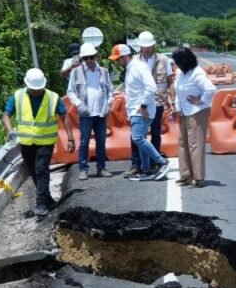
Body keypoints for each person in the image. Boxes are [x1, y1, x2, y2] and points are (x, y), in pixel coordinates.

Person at [3, 68, 75, 217]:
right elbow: (6, 115)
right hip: (27, 142)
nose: (36, 92)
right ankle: (47, 198)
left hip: (45, 142)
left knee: (41, 169)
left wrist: (70, 138)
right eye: (33, 89)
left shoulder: (52, 97)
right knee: (35, 172)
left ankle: (40, 203)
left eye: (39, 89)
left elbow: (64, 116)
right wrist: (10, 131)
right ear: (27, 86)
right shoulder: (18, 96)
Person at [109, 44, 170, 181]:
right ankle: (146, 170)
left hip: (142, 110)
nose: (117, 62)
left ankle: (162, 162)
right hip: (136, 109)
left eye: (118, 59)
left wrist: (143, 105)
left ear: (124, 57)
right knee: (140, 139)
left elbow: (151, 87)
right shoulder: (131, 68)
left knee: (137, 138)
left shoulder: (138, 67)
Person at [66, 43, 114, 180]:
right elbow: (70, 92)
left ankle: (101, 167)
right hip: (86, 113)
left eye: (91, 57)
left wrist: (108, 103)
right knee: (84, 142)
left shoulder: (103, 71)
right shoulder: (76, 72)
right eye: (86, 58)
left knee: (101, 141)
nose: (89, 60)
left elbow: (110, 90)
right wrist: (79, 104)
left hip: (100, 112)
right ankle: (83, 169)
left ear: (95, 56)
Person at [169, 48, 216, 189]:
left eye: (177, 61)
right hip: (184, 111)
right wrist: (175, 106)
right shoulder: (180, 72)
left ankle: (198, 178)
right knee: (183, 143)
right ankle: (186, 175)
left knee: (195, 144)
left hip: (197, 111)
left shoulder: (197, 73)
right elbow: (177, 90)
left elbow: (211, 89)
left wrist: (200, 100)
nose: (175, 64)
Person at [129, 31, 174, 176]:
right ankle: (136, 165)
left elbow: (169, 82)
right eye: (144, 47)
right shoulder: (134, 60)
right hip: (140, 104)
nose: (147, 49)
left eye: (149, 46)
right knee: (136, 135)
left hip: (157, 101)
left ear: (154, 45)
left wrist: (171, 100)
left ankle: (154, 164)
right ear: (140, 47)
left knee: (155, 133)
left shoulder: (163, 60)